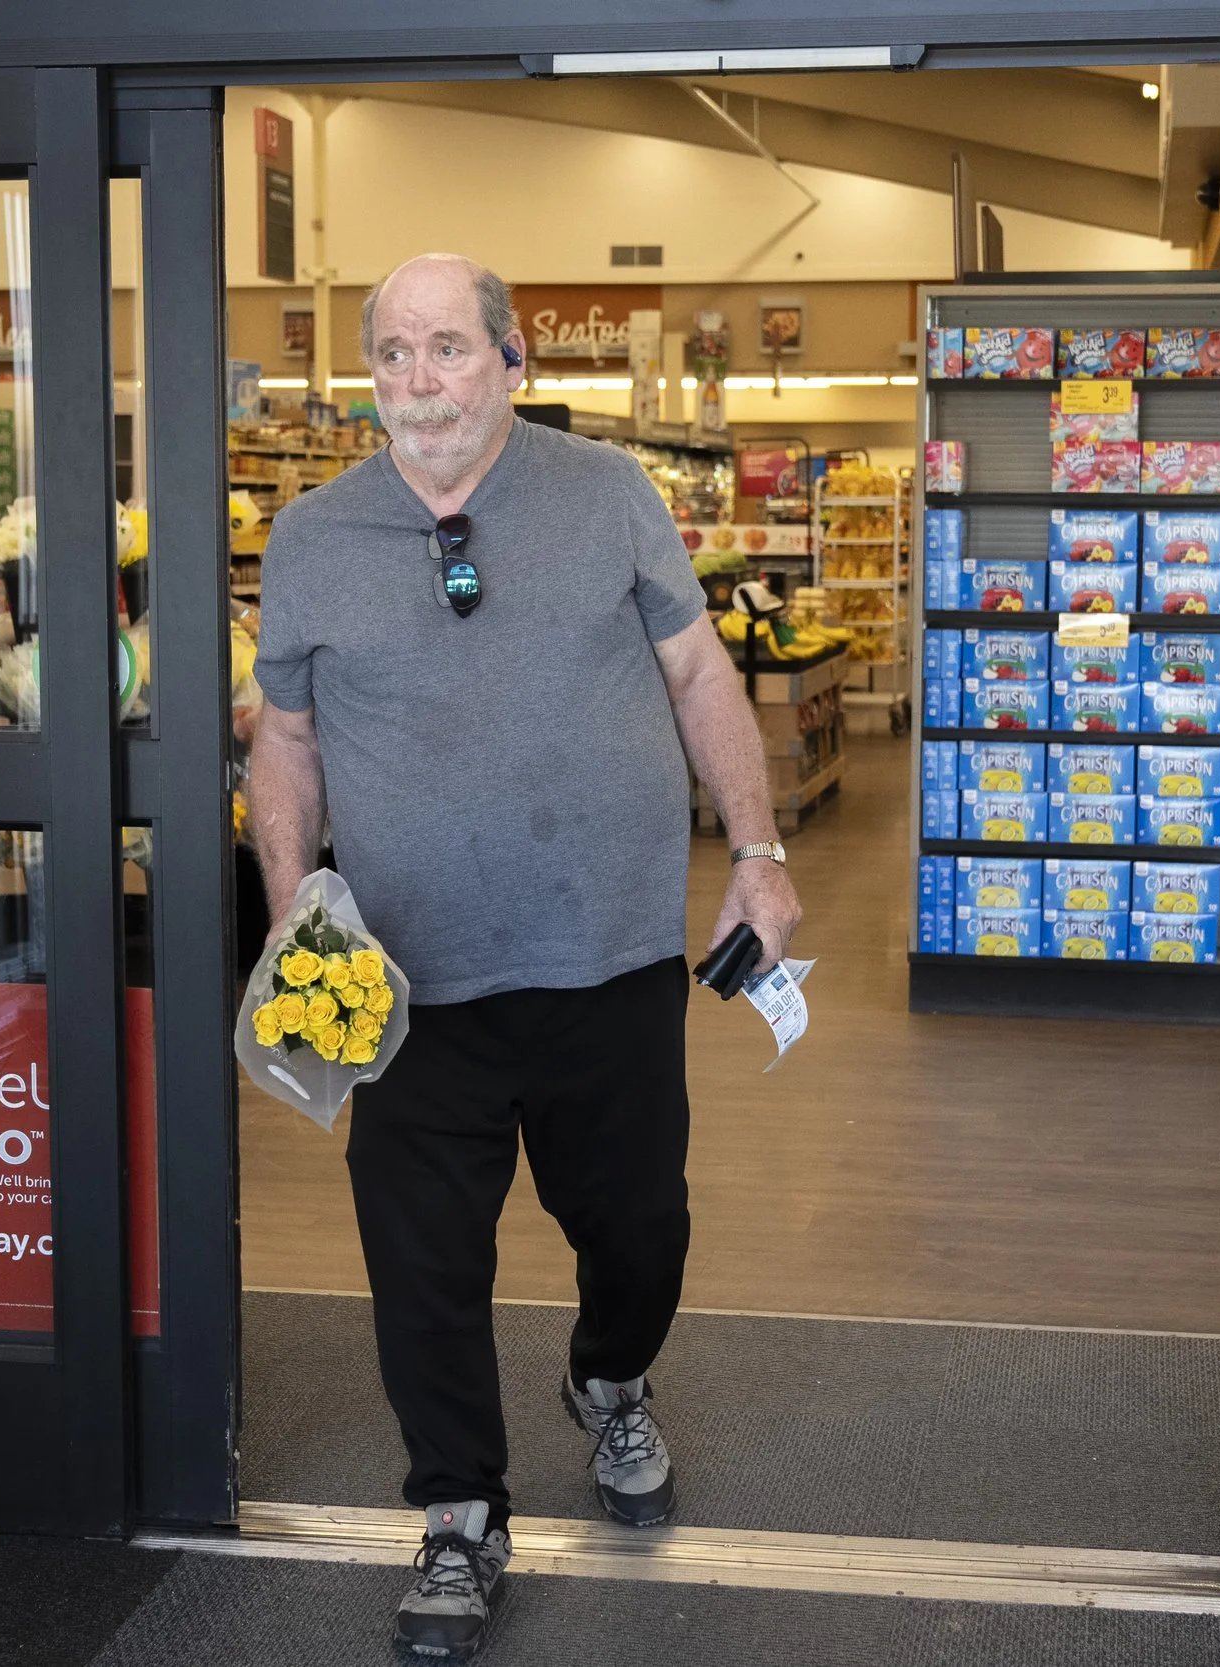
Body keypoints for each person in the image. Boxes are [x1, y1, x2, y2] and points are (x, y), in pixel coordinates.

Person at [249, 253, 801, 1660]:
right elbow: (288, 737)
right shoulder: (313, 535)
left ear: (509, 357)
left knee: (639, 1228)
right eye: (392, 353)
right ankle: (456, 1511)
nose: (417, 380)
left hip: (604, 954)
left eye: (445, 348)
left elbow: (697, 675)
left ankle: (611, 1373)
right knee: (420, 1258)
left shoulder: (609, 493)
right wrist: (294, 906)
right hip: (412, 976)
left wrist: (759, 853)